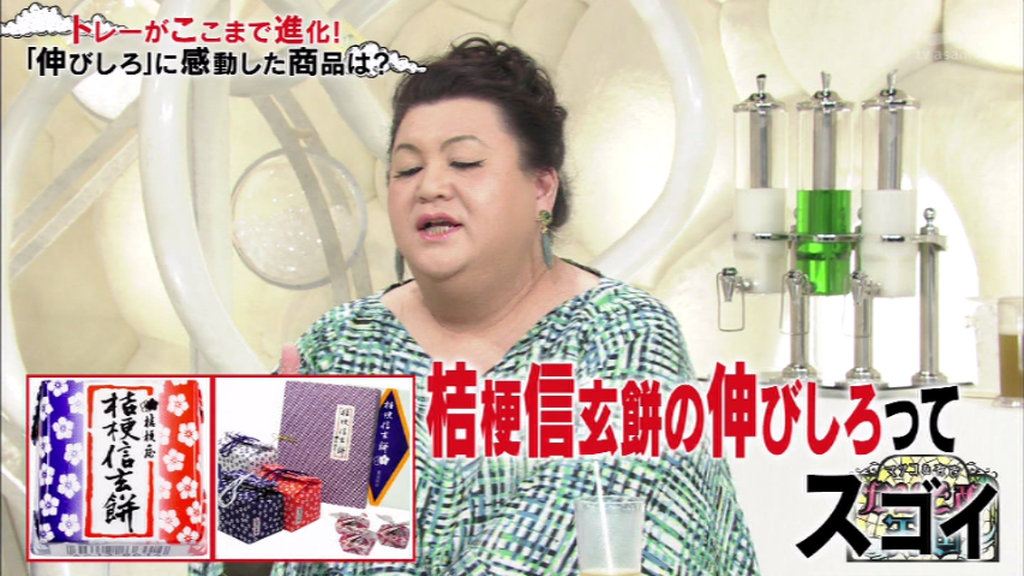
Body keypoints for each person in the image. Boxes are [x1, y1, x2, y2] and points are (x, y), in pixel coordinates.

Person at [196, 37, 758, 575]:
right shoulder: (343, 345)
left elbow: (566, 548)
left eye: (464, 162)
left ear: (541, 189)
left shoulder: (621, 335)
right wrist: (253, 517)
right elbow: (237, 564)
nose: (430, 186)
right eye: (407, 169)